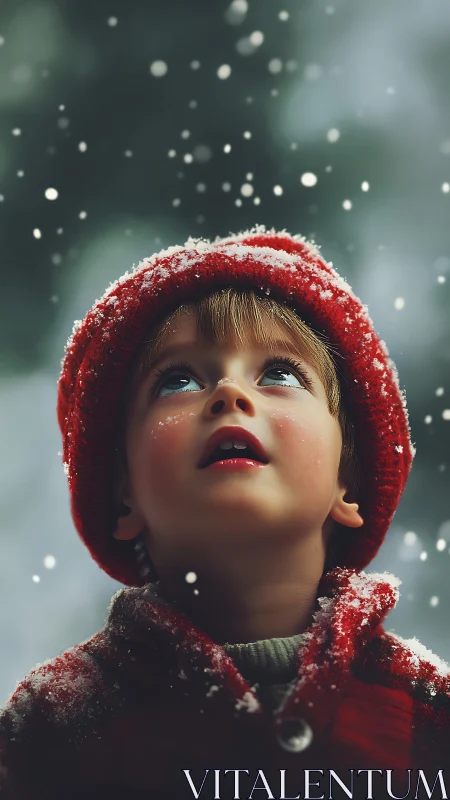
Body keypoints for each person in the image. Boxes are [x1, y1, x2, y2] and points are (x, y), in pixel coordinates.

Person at [0, 225, 449, 800]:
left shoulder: (430, 713)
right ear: (123, 495)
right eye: (177, 380)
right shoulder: (52, 730)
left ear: (348, 482)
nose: (230, 394)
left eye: (280, 374)